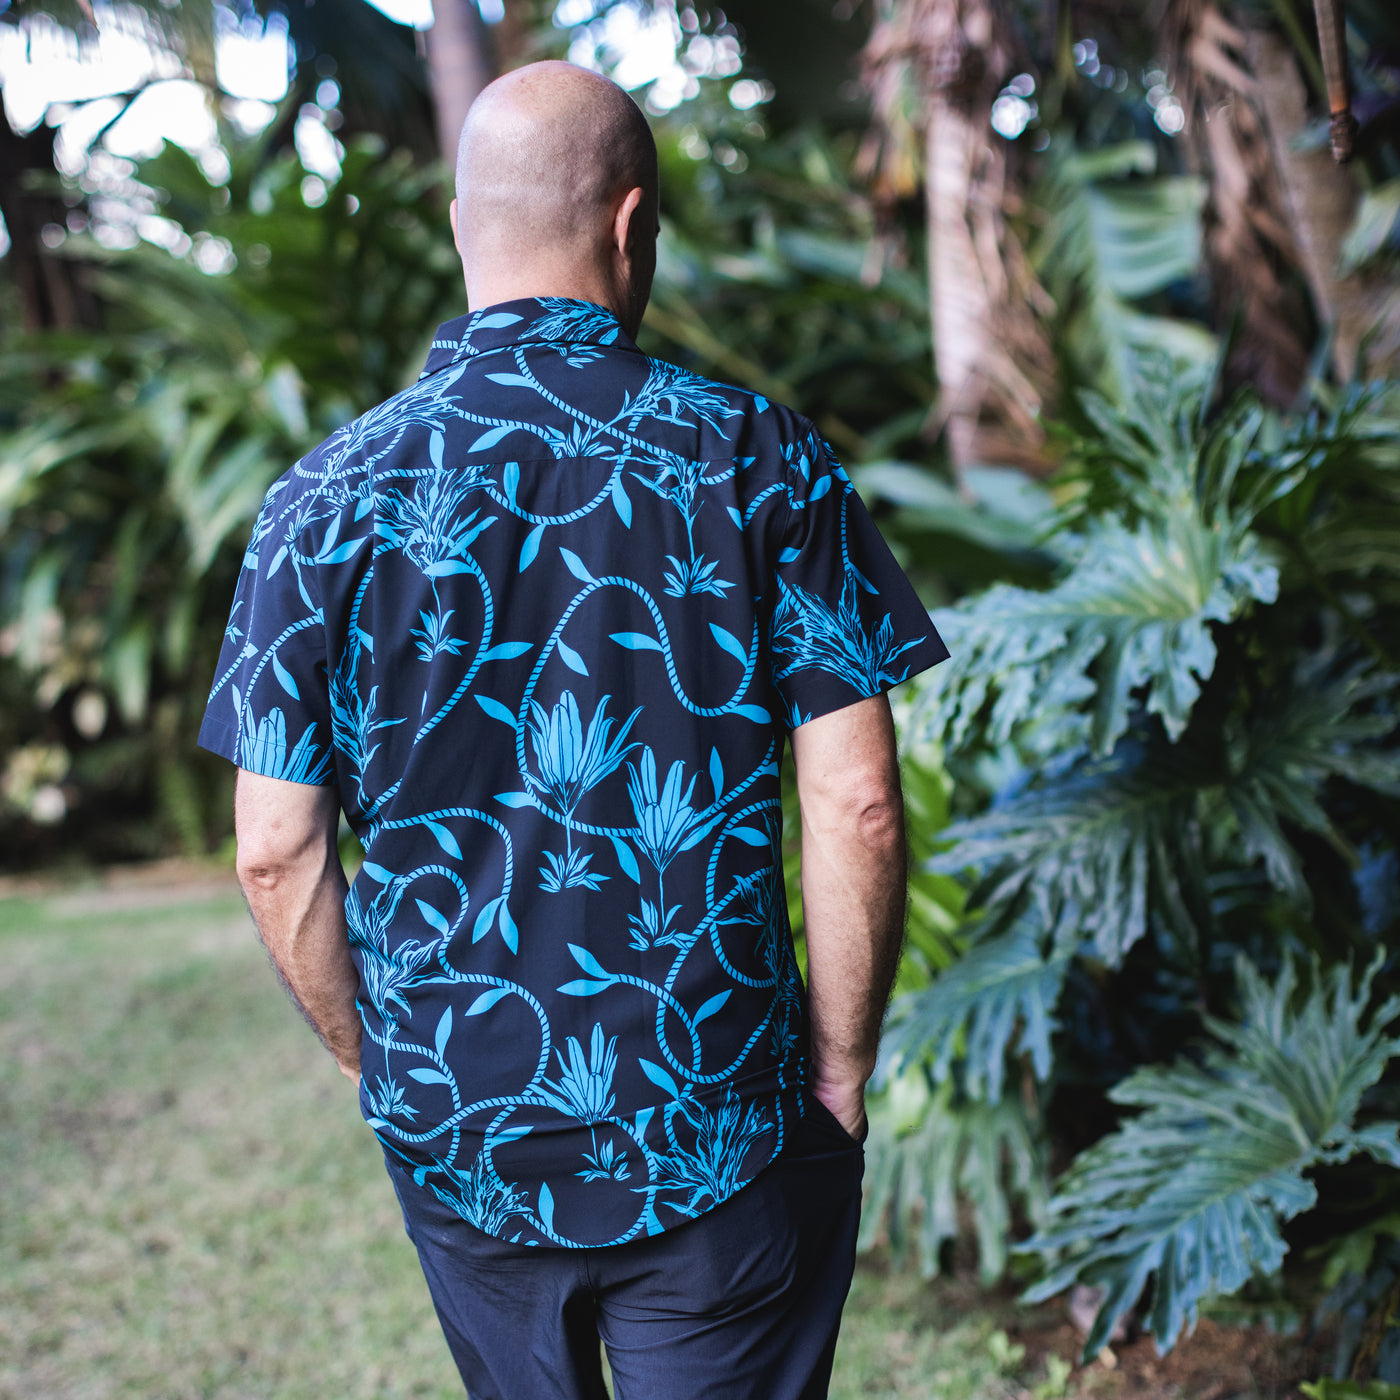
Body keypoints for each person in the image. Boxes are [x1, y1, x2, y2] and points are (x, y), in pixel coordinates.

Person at [200, 59, 947, 1400]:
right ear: (630, 223)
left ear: (462, 231)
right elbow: (858, 804)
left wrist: (398, 1070)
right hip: (723, 1121)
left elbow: (273, 847)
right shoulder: (759, 458)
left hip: (458, 1122)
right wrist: (838, 1073)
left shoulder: (317, 502)